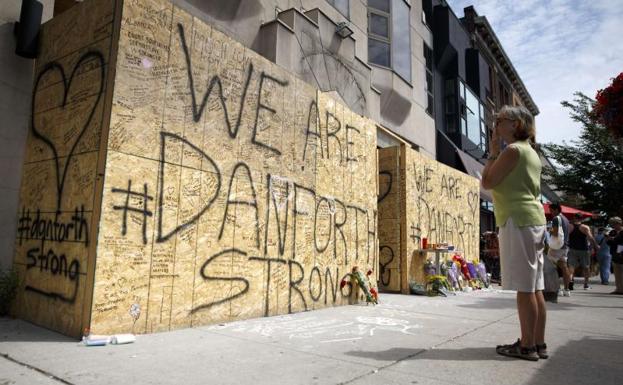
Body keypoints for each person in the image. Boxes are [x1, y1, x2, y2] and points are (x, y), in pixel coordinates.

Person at [482, 105, 547, 361]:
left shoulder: (512, 151)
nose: (496, 124)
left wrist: (492, 154)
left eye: (501, 120)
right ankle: (537, 343)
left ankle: (527, 346)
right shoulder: (530, 151)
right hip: (532, 220)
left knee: (525, 287)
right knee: (535, 286)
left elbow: (487, 182)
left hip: (517, 220)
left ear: (517, 124)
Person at [567, 213, 598, 290]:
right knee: (586, 267)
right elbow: (590, 237)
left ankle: (570, 280)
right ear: (582, 219)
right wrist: (596, 246)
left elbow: (565, 237)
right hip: (584, 249)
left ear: (574, 218)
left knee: (571, 266)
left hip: (572, 249)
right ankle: (586, 285)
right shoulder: (584, 227)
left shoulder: (569, 226)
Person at [547, 203, 571, 296]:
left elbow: (555, 232)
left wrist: (549, 229)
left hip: (556, 246)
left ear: (556, 209)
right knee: (564, 267)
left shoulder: (556, 219)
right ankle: (567, 289)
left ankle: (557, 289)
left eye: (551, 210)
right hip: (565, 246)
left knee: (550, 266)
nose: (551, 212)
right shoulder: (566, 219)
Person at [607, 216, 623, 294]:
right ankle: (619, 289)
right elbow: (609, 244)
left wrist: (614, 239)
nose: (612, 226)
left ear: (618, 223)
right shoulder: (613, 232)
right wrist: (608, 239)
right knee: (617, 272)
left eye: (613, 224)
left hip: (621, 253)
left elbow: (621, 243)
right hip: (615, 254)